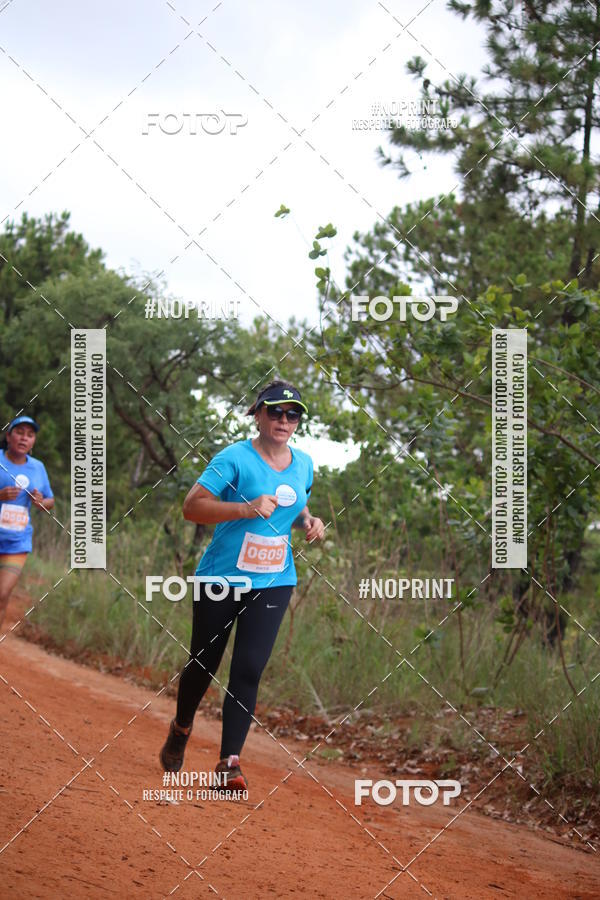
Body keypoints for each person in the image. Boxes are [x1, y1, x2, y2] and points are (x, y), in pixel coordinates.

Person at [159, 380, 325, 790]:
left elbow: (295, 501)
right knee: (205, 662)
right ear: (258, 414)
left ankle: (228, 763)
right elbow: (191, 507)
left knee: (249, 669)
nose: (284, 420)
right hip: (221, 578)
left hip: (274, 580)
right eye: (276, 412)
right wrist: (244, 509)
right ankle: (181, 728)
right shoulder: (233, 457)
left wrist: (309, 521)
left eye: (293, 414)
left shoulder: (304, 463)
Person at [0, 416, 55, 630]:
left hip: (17, 542)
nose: (24, 438)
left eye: (30, 435)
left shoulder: (38, 468)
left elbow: (50, 500)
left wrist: (41, 502)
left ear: (33, 442)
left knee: (2, 593)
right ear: (8, 436)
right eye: (19, 432)